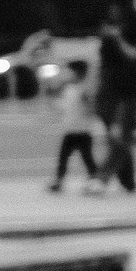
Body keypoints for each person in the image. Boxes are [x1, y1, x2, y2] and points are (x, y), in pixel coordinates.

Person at [87, 6, 136, 195]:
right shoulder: (106, 39)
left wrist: (118, 38)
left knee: (120, 136)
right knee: (117, 137)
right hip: (107, 90)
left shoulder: (133, 34)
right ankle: (128, 180)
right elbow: (100, 64)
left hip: (128, 91)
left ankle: (101, 177)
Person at [47, 59, 98, 192]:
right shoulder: (68, 88)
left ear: (78, 73)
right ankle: (59, 180)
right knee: (63, 157)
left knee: (87, 158)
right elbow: (63, 105)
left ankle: (95, 179)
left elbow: (90, 109)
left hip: (82, 131)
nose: (67, 75)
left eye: (70, 72)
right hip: (70, 129)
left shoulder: (83, 90)